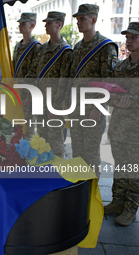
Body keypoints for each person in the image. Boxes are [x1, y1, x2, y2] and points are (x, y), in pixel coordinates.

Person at [67, 4, 118, 176]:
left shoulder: (106, 47)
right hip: (76, 109)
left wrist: (98, 108)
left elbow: (109, 82)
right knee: (77, 153)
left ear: (94, 20)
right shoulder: (77, 47)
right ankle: (78, 193)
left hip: (92, 111)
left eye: (82, 19)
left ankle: (91, 195)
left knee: (91, 154)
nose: (78, 23)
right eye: (77, 19)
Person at [104, 22, 139, 226]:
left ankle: (130, 208)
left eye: (134, 37)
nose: (129, 40)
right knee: (120, 166)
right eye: (128, 36)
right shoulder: (122, 66)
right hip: (118, 127)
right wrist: (113, 100)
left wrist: (132, 101)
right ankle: (117, 201)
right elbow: (110, 92)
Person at [25, 11, 72, 158]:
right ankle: (44, 169)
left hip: (54, 104)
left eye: (50, 23)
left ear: (59, 25)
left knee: (56, 141)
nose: (46, 25)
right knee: (42, 139)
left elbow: (65, 82)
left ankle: (57, 176)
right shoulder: (43, 49)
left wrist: (57, 107)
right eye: (46, 23)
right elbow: (34, 72)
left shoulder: (66, 51)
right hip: (40, 101)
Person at [12, 12, 41, 139]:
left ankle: (28, 156)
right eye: (20, 23)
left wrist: (29, 96)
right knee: (16, 127)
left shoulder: (37, 47)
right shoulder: (18, 46)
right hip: (16, 92)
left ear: (32, 25)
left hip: (27, 95)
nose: (20, 26)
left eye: (23, 23)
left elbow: (35, 74)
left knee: (28, 128)